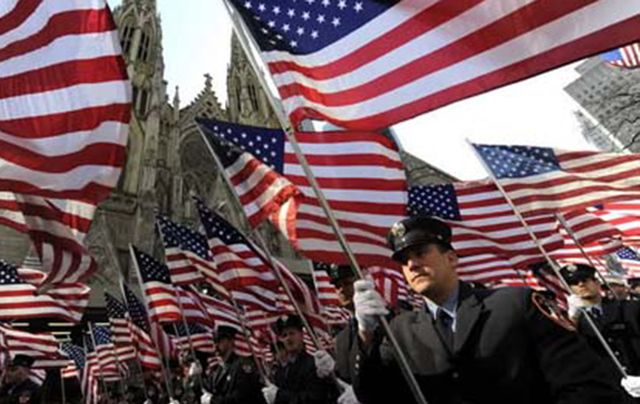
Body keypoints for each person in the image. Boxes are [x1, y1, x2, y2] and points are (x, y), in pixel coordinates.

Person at [349, 215, 620, 404]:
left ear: (451, 258)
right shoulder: (400, 330)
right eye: (404, 260)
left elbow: (584, 384)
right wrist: (365, 335)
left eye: (420, 253)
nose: (412, 265)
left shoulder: (516, 304)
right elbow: (375, 395)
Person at [563, 263, 640, 400]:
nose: (581, 285)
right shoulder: (573, 322)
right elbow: (571, 349)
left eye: (585, 280)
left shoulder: (628, 308)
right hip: (611, 389)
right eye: (574, 283)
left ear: (597, 283)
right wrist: (573, 317)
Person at [262, 315, 338, 404]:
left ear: (301, 335)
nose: (288, 338)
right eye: (284, 335)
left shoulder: (313, 364)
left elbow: (314, 397)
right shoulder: (281, 370)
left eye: (292, 333)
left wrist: (279, 396)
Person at [202, 326, 266, 404]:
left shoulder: (242, 365)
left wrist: (213, 401)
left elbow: (239, 398)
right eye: (214, 342)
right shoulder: (218, 370)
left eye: (220, 341)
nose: (216, 345)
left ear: (231, 341)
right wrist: (196, 377)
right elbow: (207, 390)